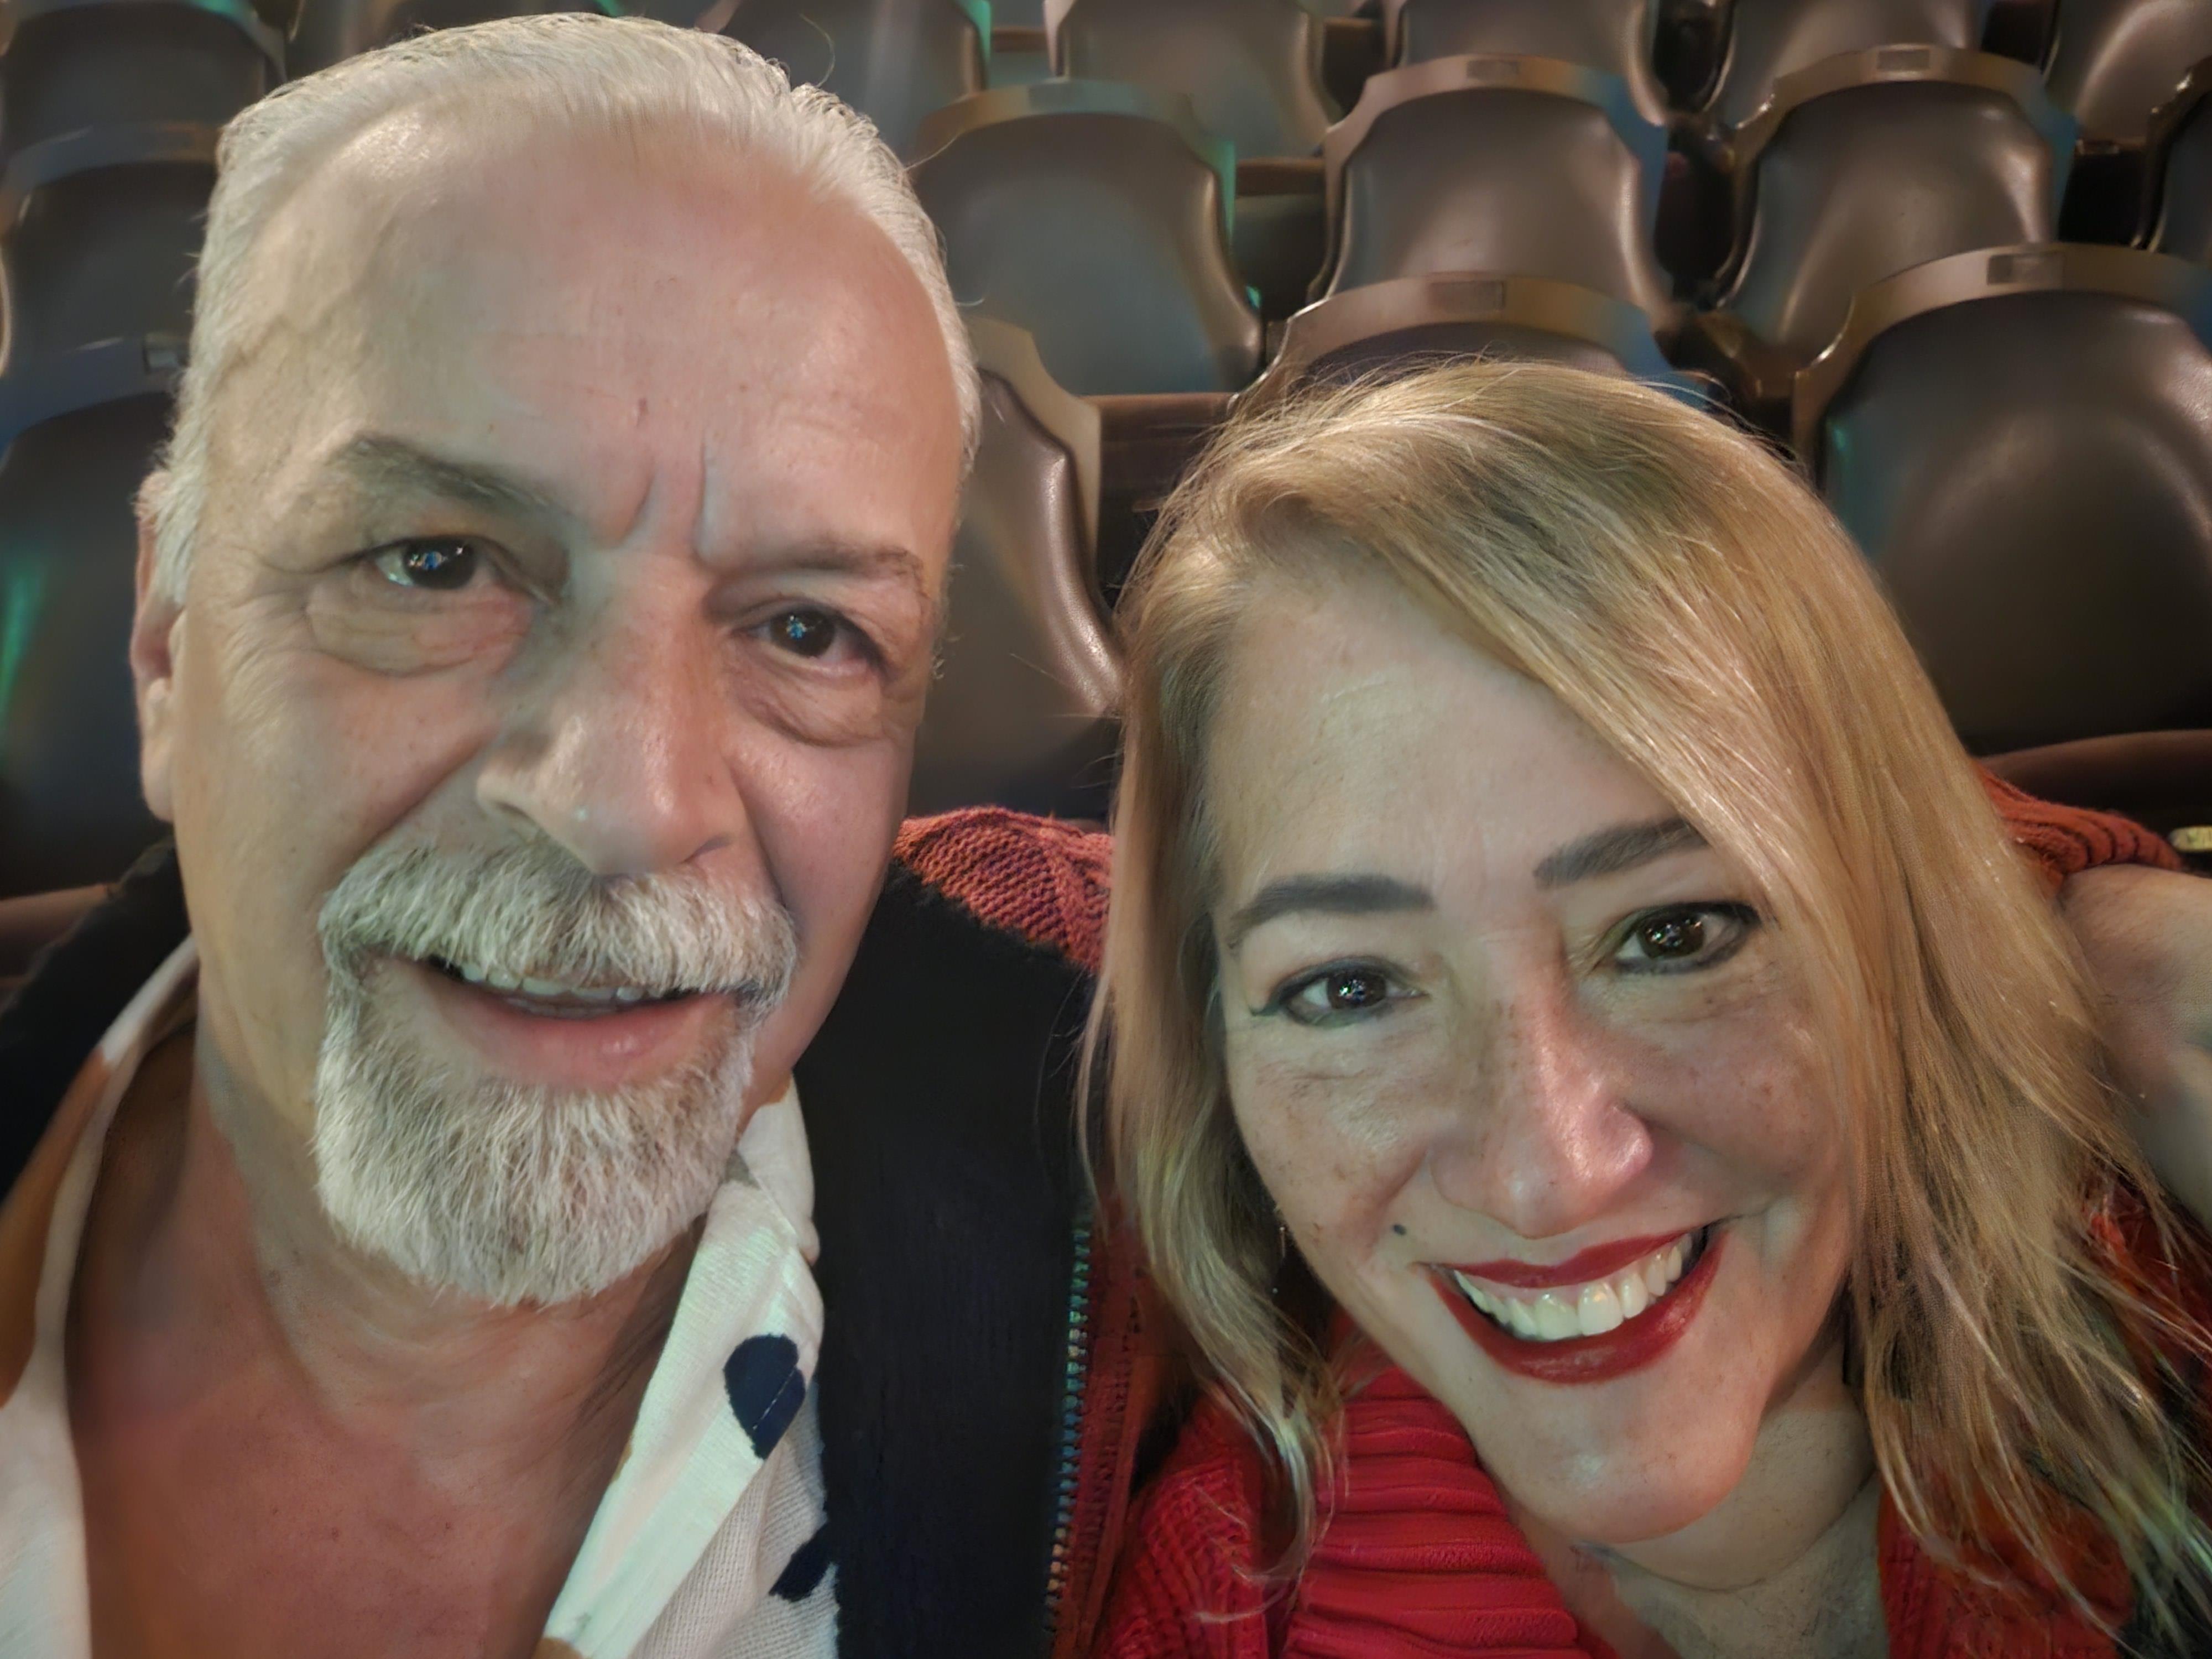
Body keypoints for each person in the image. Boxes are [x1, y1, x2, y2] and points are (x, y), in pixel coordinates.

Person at [0, 20, 2199, 1659]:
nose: (635, 798)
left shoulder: (1022, 1046)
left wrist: (2104, 939)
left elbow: (1604, 827)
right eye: (434, 561)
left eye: (800, 625)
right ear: (167, 641)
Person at [1092, 361, 2212, 1659]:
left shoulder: (2168, 1330)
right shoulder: (1192, 1608)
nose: (1544, 1178)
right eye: (1348, 988)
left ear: (1899, 930)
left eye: (1673, 935)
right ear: (1213, 1046)